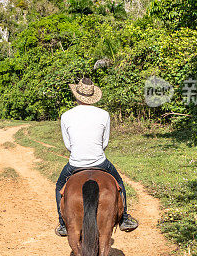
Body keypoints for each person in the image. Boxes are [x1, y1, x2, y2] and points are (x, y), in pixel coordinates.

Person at [55, 77, 138, 236]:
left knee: (60, 186)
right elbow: (104, 142)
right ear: (92, 96)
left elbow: (68, 145)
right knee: (119, 183)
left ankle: (62, 223)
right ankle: (124, 218)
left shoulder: (66, 115)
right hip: (100, 162)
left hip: (75, 164)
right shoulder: (104, 114)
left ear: (76, 95)